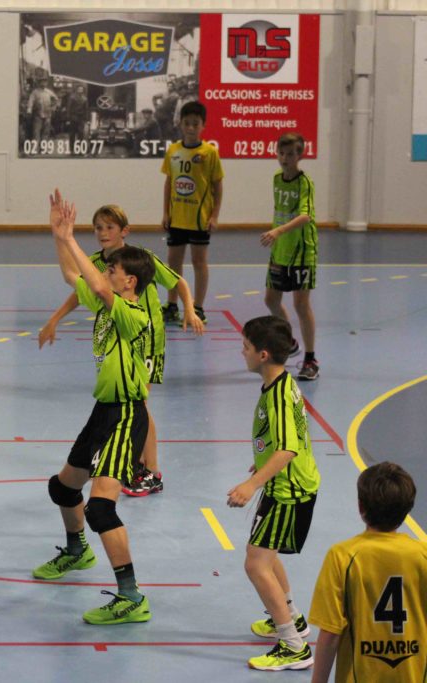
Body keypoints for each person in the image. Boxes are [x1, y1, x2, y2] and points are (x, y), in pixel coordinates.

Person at [32, 188, 154, 626]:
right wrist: (59, 236)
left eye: (114, 269)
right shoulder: (107, 305)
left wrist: (72, 239)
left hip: (126, 415)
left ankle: (131, 597)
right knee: (63, 489)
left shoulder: (132, 313)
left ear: (129, 282)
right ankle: (76, 550)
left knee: (101, 508)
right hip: (103, 411)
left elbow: (98, 285)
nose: (107, 272)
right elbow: (74, 278)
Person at [38, 204, 204, 497]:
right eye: (98, 228)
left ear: (124, 231)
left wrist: (189, 309)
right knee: (130, 403)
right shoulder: (97, 265)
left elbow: (176, 281)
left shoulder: (139, 261)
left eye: (109, 227)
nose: (103, 233)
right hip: (116, 338)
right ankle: (131, 463)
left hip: (145, 338)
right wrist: (60, 238)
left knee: (139, 402)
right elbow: (77, 284)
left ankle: (149, 470)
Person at [228, 315, 320, 672]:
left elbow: (288, 449)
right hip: (285, 482)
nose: (242, 351)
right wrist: (261, 464)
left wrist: (251, 485)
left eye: (246, 347)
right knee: (265, 555)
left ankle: (294, 646)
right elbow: (286, 439)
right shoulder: (280, 383)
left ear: (263, 354)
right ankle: (291, 617)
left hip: (288, 490)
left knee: (256, 563)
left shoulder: (279, 395)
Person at [309, 462, 426, 682]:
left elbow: (331, 633)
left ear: (361, 507)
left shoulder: (342, 556)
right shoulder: (423, 555)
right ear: (407, 509)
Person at [261, 132, 319, 381]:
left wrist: (278, 231)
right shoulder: (277, 179)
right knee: (271, 299)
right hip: (280, 249)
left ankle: (310, 360)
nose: (285, 158)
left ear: (300, 155)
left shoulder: (304, 182)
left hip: (302, 251)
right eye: (281, 153)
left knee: (300, 305)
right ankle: (289, 341)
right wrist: (277, 236)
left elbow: (305, 216)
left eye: (291, 154)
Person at [160, 101, 224, 325]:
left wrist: (214, 215)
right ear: (180, 124)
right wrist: (166, 212)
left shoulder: (209, 153)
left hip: (199, 219)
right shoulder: (173, 151)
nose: (190, 128)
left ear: (203, 126)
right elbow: (169, 182)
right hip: (177, 218)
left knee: (199, 262)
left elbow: (218, 186)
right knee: (173, 263)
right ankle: (172, 305)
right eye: (187, 123)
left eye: (195, 124)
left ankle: (198, 308)